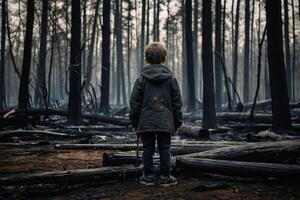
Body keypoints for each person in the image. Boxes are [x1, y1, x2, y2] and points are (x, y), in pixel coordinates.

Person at [129, 42, 183, 187]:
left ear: (147, 58)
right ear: (164, 58)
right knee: (165, 147)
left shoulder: (141, 79)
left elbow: (134, 103)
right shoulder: (171, 79)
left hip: (146, 121)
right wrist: (177, 122)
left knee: (148, 148)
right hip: (165, 121)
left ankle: (148, 176)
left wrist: (135, 123)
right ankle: (166, 176)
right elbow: (177, 103)